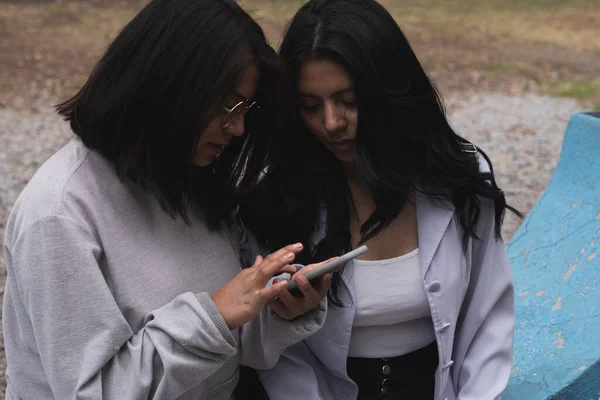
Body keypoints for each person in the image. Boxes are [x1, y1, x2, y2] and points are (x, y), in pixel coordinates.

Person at [1, 0, 331, 399]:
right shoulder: (59, 214)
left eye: (246, 108)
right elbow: (92, 391)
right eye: (229, 105)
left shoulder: (183, 178)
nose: (239, 128)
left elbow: (224, 346)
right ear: (169, 85)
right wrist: (213, 316)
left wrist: (276, 309)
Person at [239, 0, 521, 398]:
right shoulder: (274, 196)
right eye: (310, 106)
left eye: (349, 100)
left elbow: (489, 315)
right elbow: (276, 357)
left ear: (390, 89)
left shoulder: (458, 177)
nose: (333, 123)